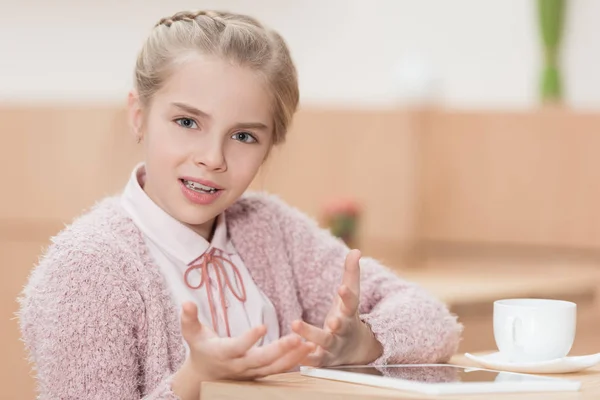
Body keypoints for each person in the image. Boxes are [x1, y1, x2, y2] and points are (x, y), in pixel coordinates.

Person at [18, 10, 462, 400]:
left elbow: (432, 319)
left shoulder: (270, 228)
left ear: (270, 146)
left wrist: (365, 344)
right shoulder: (87, 268)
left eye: (244, 136)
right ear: (139, 115)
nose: (213, 157)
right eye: (187, 121)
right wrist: (194, 382)